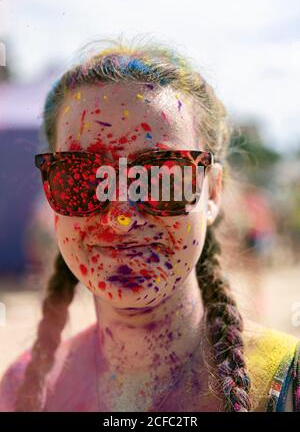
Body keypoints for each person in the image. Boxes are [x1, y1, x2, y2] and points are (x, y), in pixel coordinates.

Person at [0, 35, 299, 412]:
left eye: (161, 177)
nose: (120, 217)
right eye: (81, 178)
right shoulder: (21, 390)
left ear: (212, 193)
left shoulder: (286, 382)